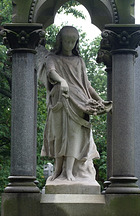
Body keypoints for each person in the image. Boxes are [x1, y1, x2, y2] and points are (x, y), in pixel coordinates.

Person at [38, 26, 112, 181]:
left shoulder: (79, 61)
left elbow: (87, 85)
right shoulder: (53, 58)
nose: (70, 44)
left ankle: (69, 171)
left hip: (79, 102)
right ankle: (58, 171)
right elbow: (51, 72)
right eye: (67, 41)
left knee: (73, 136)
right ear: (60, 41)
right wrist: (62, 81)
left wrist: (100, 100)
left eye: (73, 42)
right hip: (59, 100)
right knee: (59, 135)